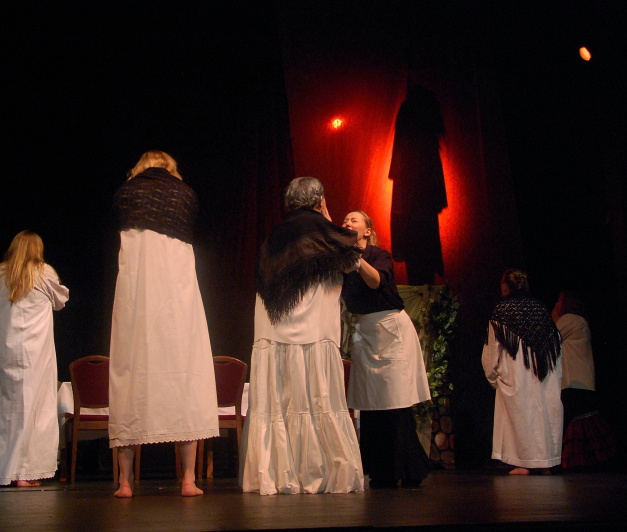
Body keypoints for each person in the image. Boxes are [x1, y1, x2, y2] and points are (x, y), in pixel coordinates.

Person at [240, 177, 365, 494]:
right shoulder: (323, 230)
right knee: (316, 392)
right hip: (313, 322)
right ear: (319, 200)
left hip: (274, 323)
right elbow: (353, 255)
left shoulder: (276, 234)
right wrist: (327, 217)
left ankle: (279, 471)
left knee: (281, 395)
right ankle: (320, 468)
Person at [108, 150, 218, 498]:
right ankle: (188, 480)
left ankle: (125, 482)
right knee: (184, 372)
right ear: (171, 169)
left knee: (130, 372)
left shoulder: (126, 193)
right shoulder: (185, 194)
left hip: (137, 290)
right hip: (176, 290)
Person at [340, 210, 431, 489]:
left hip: (389, 329)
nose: (347, 223)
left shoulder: (379, 255)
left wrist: (356, 257)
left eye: (354, 220)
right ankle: (381, 471)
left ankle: (409, 469)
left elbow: (376, 281)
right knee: (371, 404)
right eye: (344, 220)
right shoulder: (341, 262)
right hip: (366, 332)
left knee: (395, 400)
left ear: (367, 231)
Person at [0, 231, 69, 487]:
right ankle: (26, 472)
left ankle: (5, 471)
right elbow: (61, 300)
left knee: (6, 408)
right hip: (34, 350)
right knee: (35, 408)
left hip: (5, 348)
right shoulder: (44, 272)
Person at [482, 269, 563, 475]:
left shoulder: (502, 311)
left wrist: (493, 377)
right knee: (541, 414)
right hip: (542, 370)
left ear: (505, 287)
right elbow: (556, 342)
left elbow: (492, 349)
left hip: (517, 370)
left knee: (520, 415)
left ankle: (525, 462)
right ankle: (545, 461)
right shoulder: (540, 309)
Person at [552, 291, 616, 468]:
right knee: (581, 420)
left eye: (558, 301)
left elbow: (549, 338)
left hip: (575, 380)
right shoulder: (580, 321)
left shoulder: (571, 319)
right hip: (581, 380)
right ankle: (591, 460)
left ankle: (586, 461)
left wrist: (554, 318)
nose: (555, 304)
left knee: (580, 421)